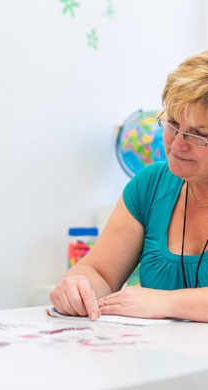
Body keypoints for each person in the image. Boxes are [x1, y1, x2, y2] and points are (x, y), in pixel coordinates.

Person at [50, 50, 208, 322]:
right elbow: (100, 271)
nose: (178, 144)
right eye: (172, 123)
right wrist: (78, 285)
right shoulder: (149, 184)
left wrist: (165, 303)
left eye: (199, 135)